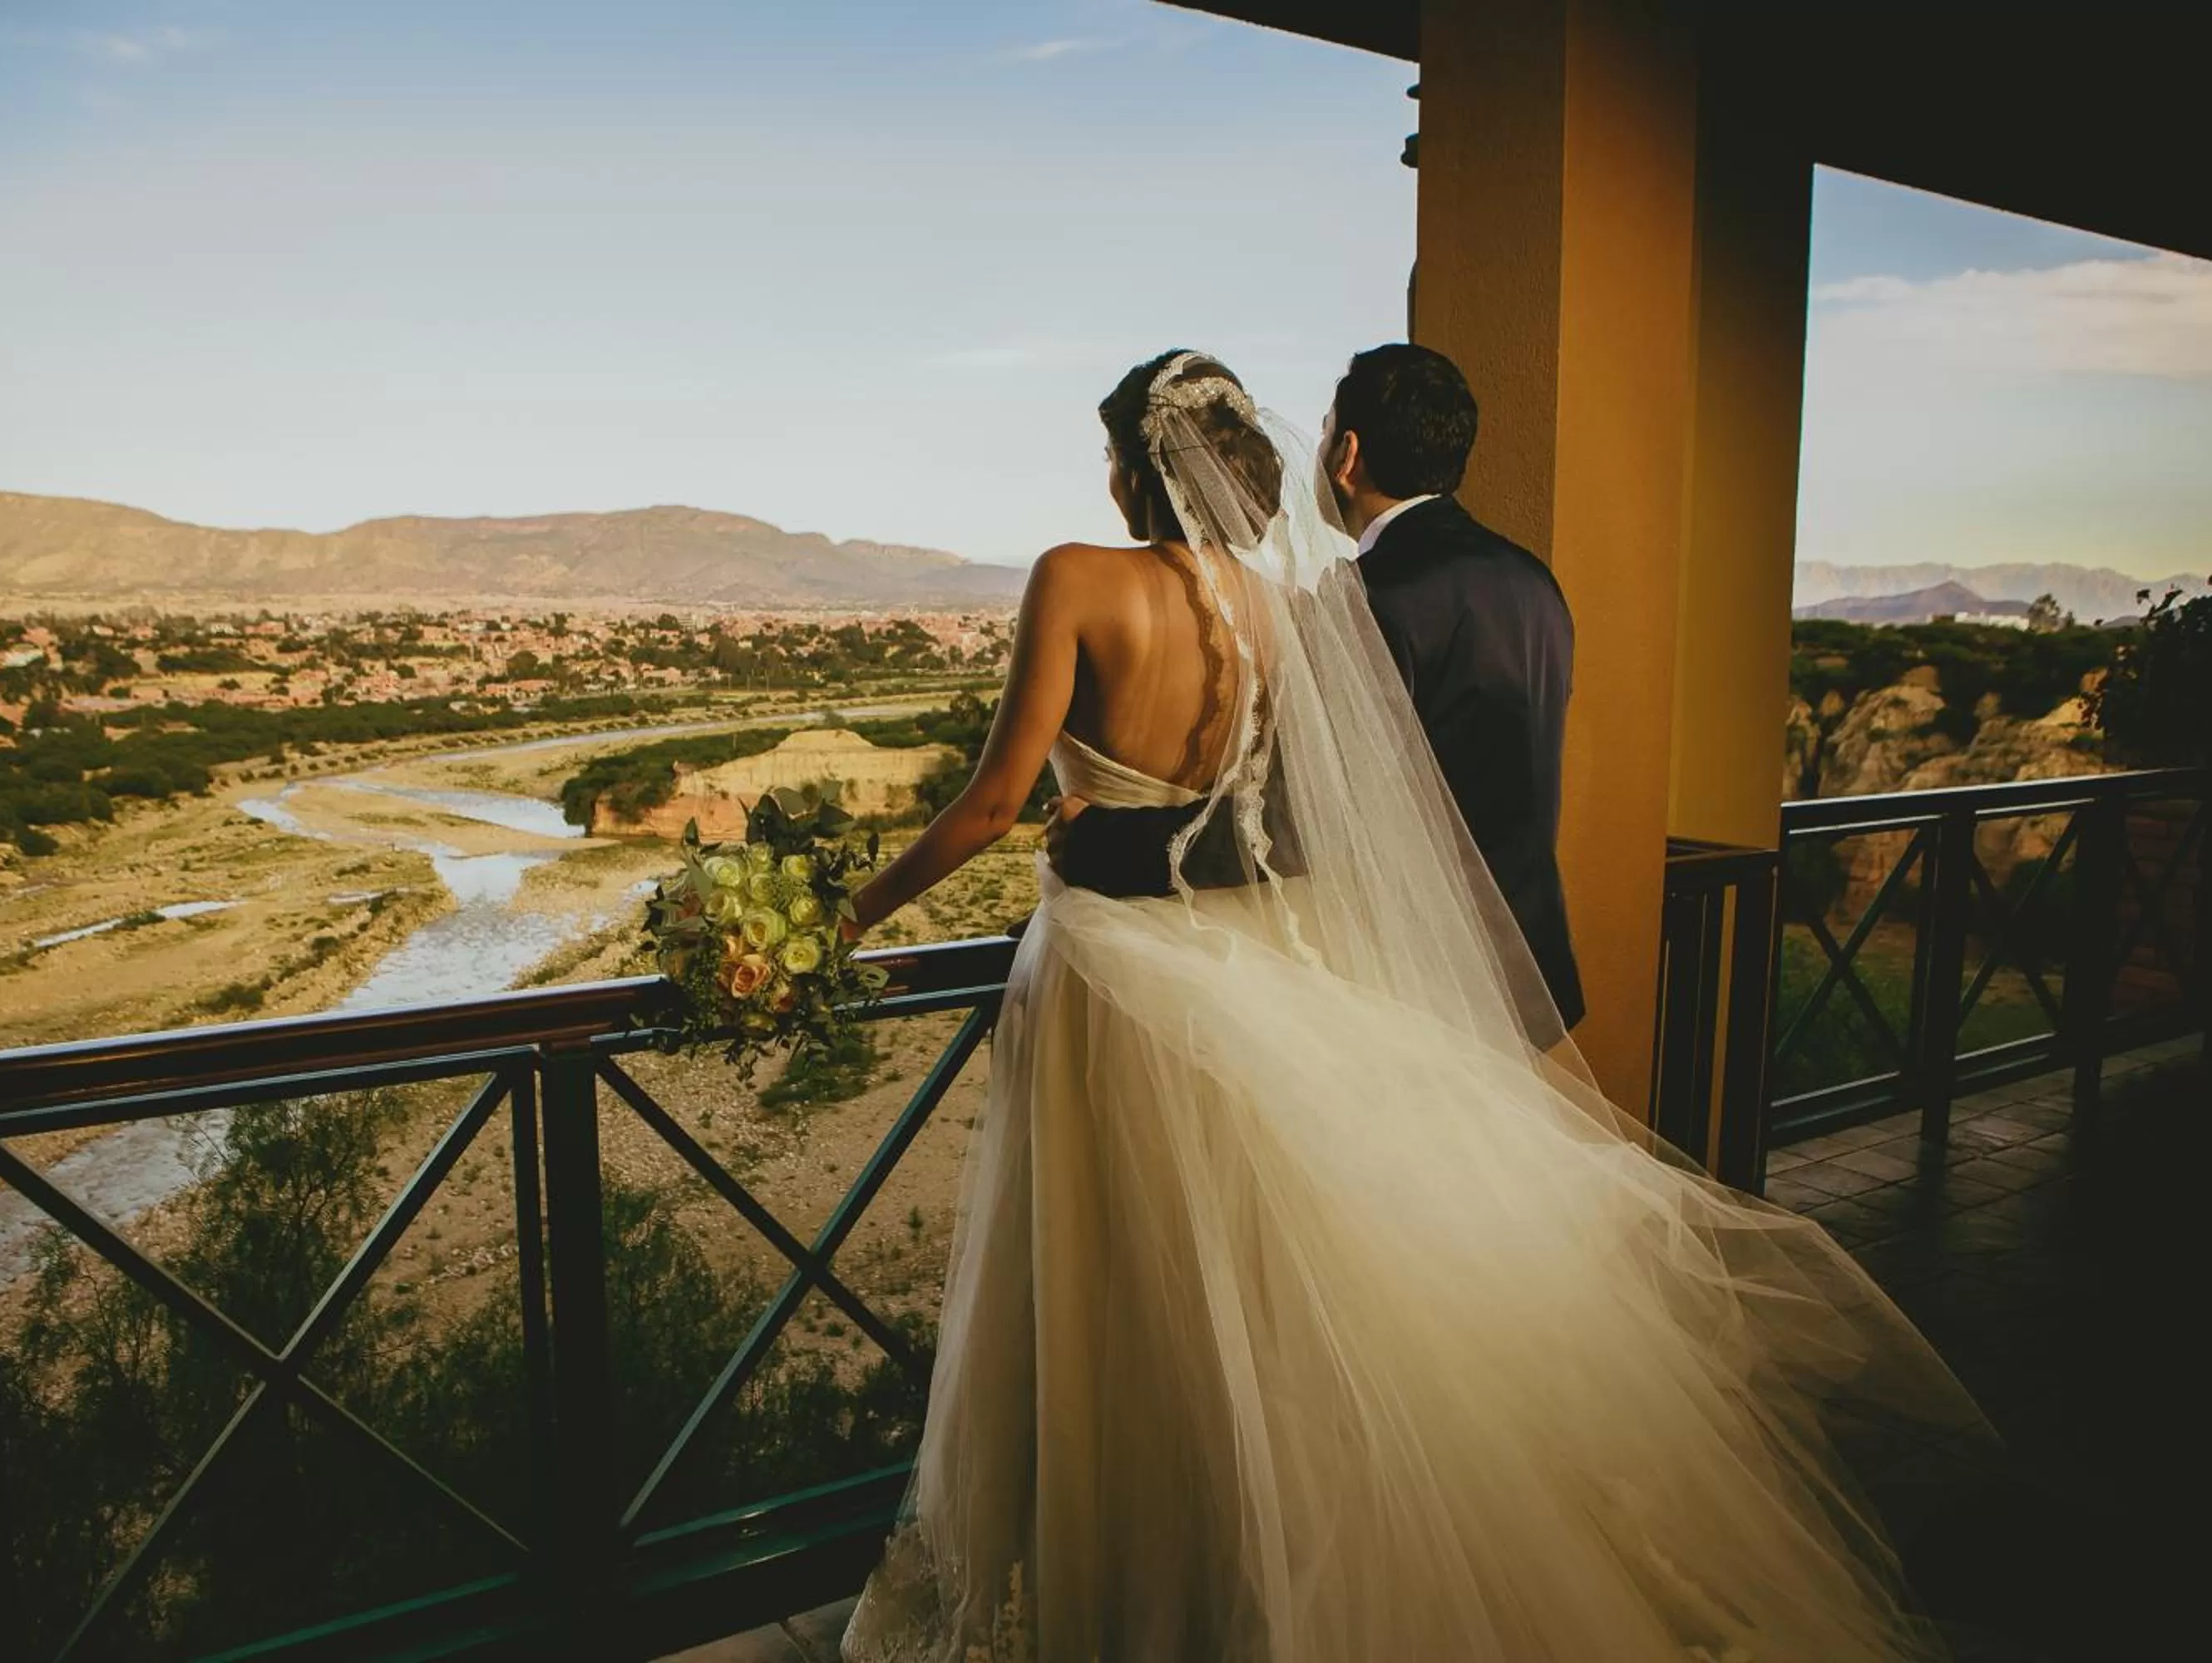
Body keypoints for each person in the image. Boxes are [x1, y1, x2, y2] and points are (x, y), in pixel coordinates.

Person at [838, 349, 1984, 1661]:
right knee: (1229, 1289)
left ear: (1128, 466)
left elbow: (991, 804)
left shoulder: (1076, 578)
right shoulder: (1289, 611)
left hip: (1109, 972)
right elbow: (1276, 811)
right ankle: (1227, 1571)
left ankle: (1106, 1571)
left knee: (1096, 1274)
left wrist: (852, 920)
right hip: (1249, 965)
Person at [1049, 342, 1582, 1034]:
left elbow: (1292, 822)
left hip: (1422, 979)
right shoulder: (1531, 580)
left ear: (1347, 454)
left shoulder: (1372, 598)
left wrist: (1104, 843)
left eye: (1325, 428)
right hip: (1530, 963)